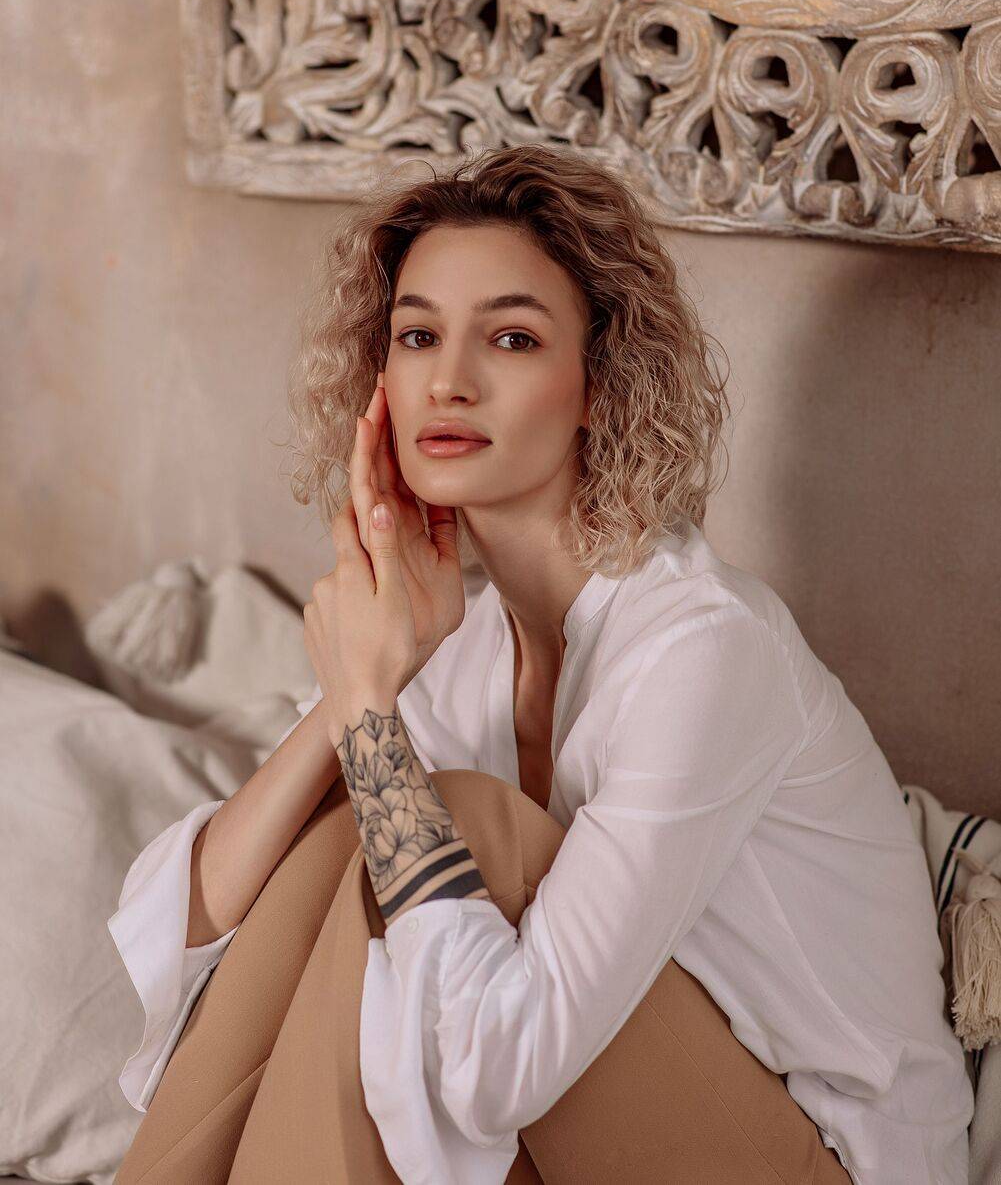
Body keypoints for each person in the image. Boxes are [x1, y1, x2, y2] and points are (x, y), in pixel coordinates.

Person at [108, 143, 974, 1184]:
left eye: (511, 338)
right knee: (353, 832)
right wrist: (355, 694)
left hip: (818, 1155)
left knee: (449, 816)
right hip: (581, 1130)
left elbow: (497, 1071)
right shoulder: (462, 640)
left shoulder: (704, 650)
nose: (448, 381)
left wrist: (371, 713)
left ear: (599, 386)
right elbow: (197, 922)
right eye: (417, 335)